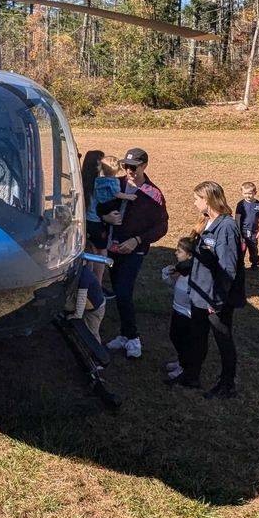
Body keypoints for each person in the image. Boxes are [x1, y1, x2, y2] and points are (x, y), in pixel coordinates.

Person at [173, 181, 245, 398]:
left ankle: (227, 384)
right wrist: (181, 268)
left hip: (215, 299)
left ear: (208, 200)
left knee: (223, 340)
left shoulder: (227, 227)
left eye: (197, 199)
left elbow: (228, 268)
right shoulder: (207, 223)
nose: (194, 203)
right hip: (199, 294)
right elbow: (203, 259)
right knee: (198, 336)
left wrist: (218, 301)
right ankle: (191, 376)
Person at [97, 147, 168, 359]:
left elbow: (161, 226)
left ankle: (134, 338)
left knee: (124, 291)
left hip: (134, 252)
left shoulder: (153, 194)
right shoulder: (114, 183)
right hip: (112, 249)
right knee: (119, 292)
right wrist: (105, 218)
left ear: (144, 166)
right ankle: (125, 334)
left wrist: (137, 240)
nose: (128, 170)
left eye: (133, 167)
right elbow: (97, 206)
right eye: (126, 166)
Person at [161, 234, 197, 384]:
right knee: (174, 336)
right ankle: (181, 361)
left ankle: (185, 366)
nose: (176, 253)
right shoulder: (180, 270)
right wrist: (166, 274)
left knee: (184, 341)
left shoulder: (194, 274)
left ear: (189, 255)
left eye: (179, 251)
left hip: (188, 315)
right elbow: (173, 284)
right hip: (178, 310)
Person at [79, 150, 119, 284]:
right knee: (101, 253)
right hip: (97, 222)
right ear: (97, 164)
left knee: (88, 251)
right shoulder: (100, 183)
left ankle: (85, 282)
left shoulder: (81, 180)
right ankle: (98, 284)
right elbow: (104, 203)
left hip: (85, 223)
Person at [64, 264, 105, 345]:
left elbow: (82, 298)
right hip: (84, 303)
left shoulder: (83, 275)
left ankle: (96, 354)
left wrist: (77, 315)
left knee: (91, 334)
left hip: (95, 310)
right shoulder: (80, 271)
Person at [235, 182, 259, 271]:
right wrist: (238, 232)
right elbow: (237, 218)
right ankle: (240, 265)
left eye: (250, 193)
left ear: (255, 193)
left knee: (253, 250)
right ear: (242, 193)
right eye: (245, 193)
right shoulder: (241, 204)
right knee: (241, 250)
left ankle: (255, 264)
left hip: (253, 232)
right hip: (243, 232)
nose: (248, 195)